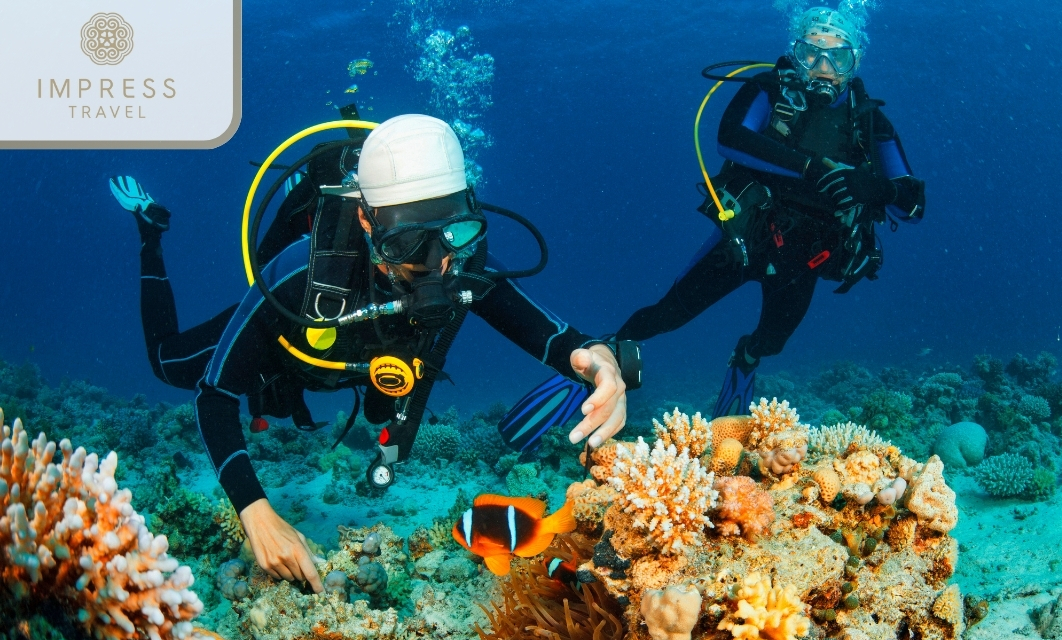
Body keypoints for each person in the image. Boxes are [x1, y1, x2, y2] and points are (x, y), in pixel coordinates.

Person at [111, 114, 638, 593]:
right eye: (409, 242)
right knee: (169, 364)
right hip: (288, 352)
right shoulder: (299, 275)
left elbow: (555, 338)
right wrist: (254, 510)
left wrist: (600, 361)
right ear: (367, 222)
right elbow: (215, 395)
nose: (437, 264)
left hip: (374, 367)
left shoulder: (465, 263)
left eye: (453, 232)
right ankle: (149, 233)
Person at [616, 5, 926, 416]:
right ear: (794, 55)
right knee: (666, 315)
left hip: (807, 259)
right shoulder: (770, 89)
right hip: (745, 238)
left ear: (855, 62)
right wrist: (810, 168)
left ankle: (745, 357)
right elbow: (729, 137)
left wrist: (876, 187)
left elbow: (914, 206)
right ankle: (600, 356)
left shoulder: (870, 124)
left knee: (772, 341)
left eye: (838, 56)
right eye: (811, 53)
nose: (823, 67)